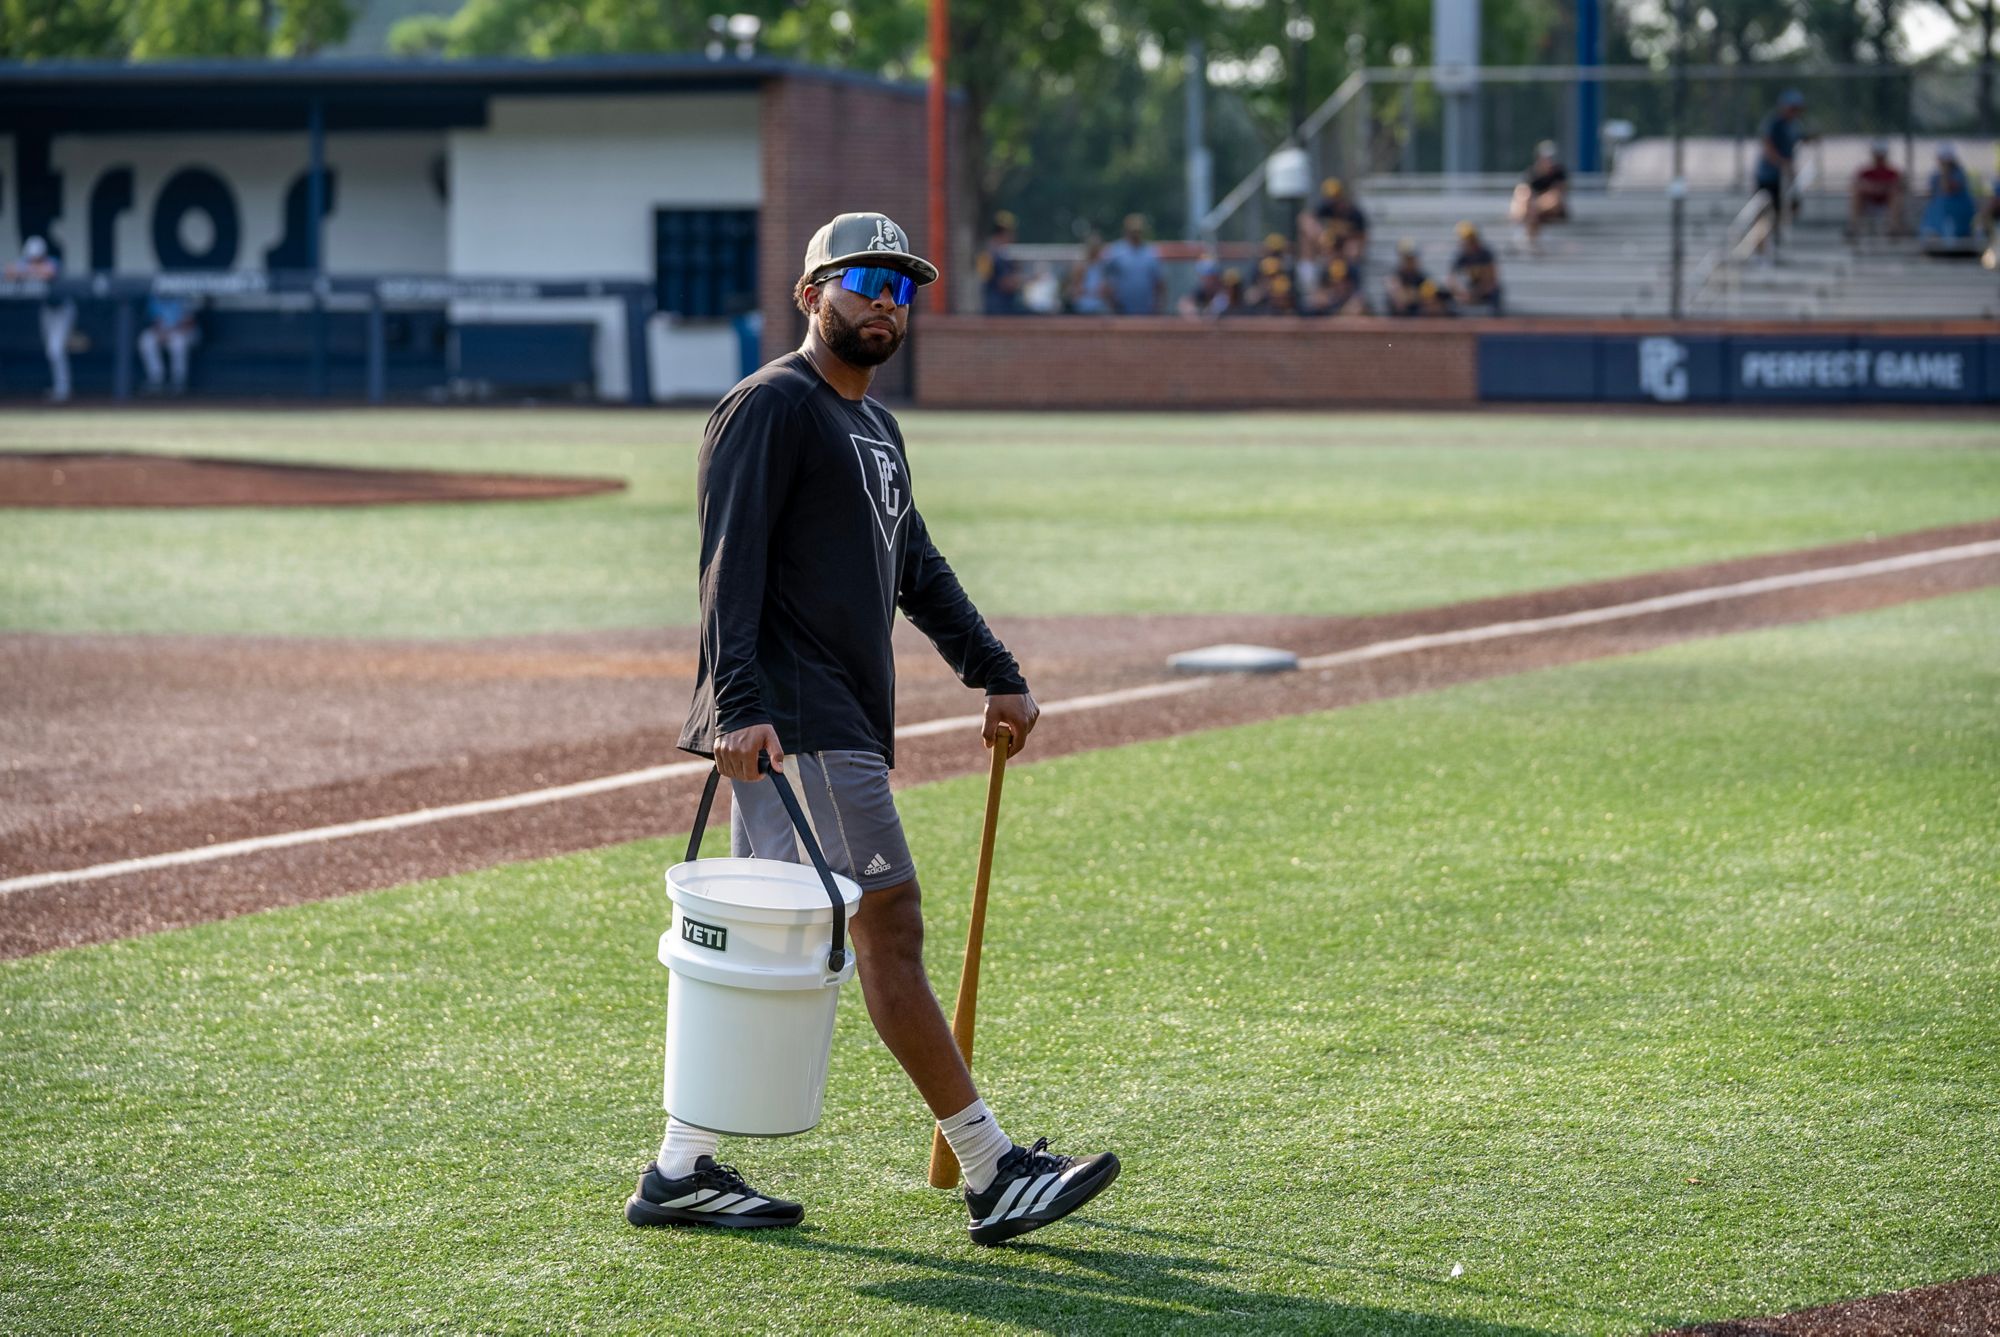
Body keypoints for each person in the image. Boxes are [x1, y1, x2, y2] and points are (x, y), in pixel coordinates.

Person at [626, 211, 1119, 1246]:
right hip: (795, 720)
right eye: (862, 282)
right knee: (886, 926)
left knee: (782, 938)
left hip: (827, 718)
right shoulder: (770, 406)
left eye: (900, 289)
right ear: (811, 294)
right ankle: (992, 1169)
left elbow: (916, 569)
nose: (884, 304)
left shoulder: (874, 430)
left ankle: (679, 1167)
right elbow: (728, 566)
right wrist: (737, 704)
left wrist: (998, 673)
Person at [5, 237, 74, 402]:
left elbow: (49, 271)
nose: (34, 260)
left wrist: (27, 270)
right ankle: (60, 388)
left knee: (55, 349)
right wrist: (25, 268)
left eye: (37, 257)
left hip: (63, 309)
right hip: (47, 310)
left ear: (43, 254)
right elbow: (8, 271)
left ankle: (63, 390)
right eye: (32, 257)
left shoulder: (52, 261)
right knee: (51, 350)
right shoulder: (27, 262)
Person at [1752, 90, 1810, 251]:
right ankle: (1760, 249)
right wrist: (1783, 163)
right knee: (1764, 213)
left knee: (1787, 209)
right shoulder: (1774, 123)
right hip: (1768, 176)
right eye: (1792, 108)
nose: (1795, 112)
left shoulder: (1794, 125)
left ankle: (1776, 244)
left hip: (1785, 177)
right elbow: (1768, 147)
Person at [1101, 213, 1165, 315]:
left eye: (1138, 231)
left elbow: (1159, 283)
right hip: (1120, 311)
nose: (1136, 234)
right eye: (1133, 231)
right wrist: (1112, 303)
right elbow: (1104, 281)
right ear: (1126, 231)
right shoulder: (1115, 252)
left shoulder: (1151, 253)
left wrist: (1158, 307)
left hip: (1147, 312)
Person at [138, 293, 200, 395]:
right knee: (146, 340)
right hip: (163, 332)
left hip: (183, 331)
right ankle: (156, 379)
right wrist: (160, 332)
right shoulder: (154, 298)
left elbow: (189, 323)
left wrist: (171, 331)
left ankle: (178, 381)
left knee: (178, 343)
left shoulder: (184, 297)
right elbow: (154, 321)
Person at [1511, 141, 1569, 250]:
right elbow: (1523, 194)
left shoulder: (1559, 173)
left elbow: (1558, 196)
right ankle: (1530, 235)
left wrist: (1534, 206)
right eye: (1546, 158)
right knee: (1522, 193)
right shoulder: (1531, 173)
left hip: (1551, 212)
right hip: (1534, 212)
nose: (1549, 161)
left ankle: (1529, 224)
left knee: (1552, 198)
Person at [1303, 177, 1369, 266]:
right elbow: (1307, 219)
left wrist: (1342, 233)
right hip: (1328, 241)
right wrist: (1321, 234)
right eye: (1331, 200)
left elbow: (1362, 238)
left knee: (1353, 248)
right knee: (1307, 226)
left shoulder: (1355, 214)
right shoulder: (1324, 208)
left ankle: (1352, 272)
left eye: (1336, 199)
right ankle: (1309, 269)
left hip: (1346, 243)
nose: (1334, 203)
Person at [1847, 141, 1906, 240]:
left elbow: (1899, 186)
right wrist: (1873, 187)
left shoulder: (1893, 172)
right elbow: (1855, 185)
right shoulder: (1865, 172)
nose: (1879, 158)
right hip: (1869, 202)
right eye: (1877, 155)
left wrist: (1881, 188)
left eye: (1881, 156)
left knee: (1895, 195)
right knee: (1856, 193)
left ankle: (1893, 228)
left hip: (1887, 202)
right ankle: (1854, 227)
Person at [1919, 145, 1977, 244]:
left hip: (1957, 209)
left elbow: (1948, 190)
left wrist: (1945, 172)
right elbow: (1931, 193)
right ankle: (1933, 232)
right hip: (1938, 210)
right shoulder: (1936, 175)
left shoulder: (1959, 174)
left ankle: (1948, 234)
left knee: (1944, 205)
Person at [1448, 222, 1502, 315]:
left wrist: (1477, 293)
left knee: (1496, 293)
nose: (1469, 243)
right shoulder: (1460, 256)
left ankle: (1495, 322)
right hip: (1467, 290)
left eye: (1471, 239)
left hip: (1483, 291)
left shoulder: (1485, 254)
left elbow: (1492, 280)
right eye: (1466, 239)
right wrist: (1461, 293)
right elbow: (1452, 281)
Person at [976, 211, 1022, 315]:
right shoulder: (996, 253)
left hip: (997, 306)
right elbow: (1004, 283)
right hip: (999, 309)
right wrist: (1022, 281)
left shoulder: (994, 250)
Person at [1066, 230, 1111, 314]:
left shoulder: (1103, 267)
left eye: (1096, 248)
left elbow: (1107, 290)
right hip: (1083, 306)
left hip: (1099, 305)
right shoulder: (1080, 267)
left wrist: (1104, 291)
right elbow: (1073, 291)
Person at [1385, 240, 1428, 317]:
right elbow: (1399, 299)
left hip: (1419, 322)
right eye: (1407, 258)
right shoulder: (1394, 276)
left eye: (1412, 258)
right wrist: (1417, 295)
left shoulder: (1421, 277)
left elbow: (1430, 299)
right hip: (1397, 322)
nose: (1410, 261)